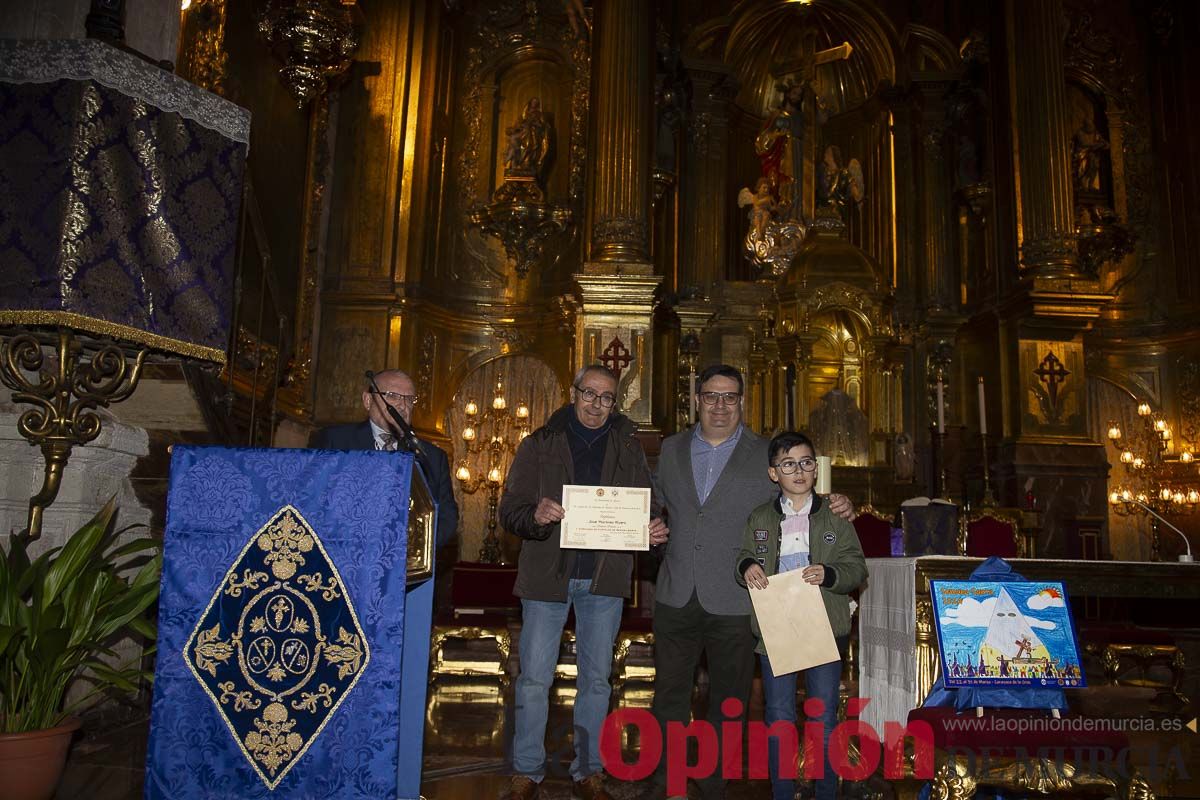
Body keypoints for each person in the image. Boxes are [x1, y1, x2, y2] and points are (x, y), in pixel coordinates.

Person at [648, 365, 855, 800]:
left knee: (729, 701)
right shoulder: (670, 449)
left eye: (730, 397)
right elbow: (654, 506)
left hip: (740, 596)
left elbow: (808, 495)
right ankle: (669, 784)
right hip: (675, 590)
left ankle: (712, 784)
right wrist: (647, 529)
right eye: (711, 396)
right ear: (697, 400)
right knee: (669, 695)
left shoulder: (766, 453)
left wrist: (838, 502)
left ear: (742, 402)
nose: (720, 406)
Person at [498, 365, 668, 800]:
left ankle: (588, 770)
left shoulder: (628, 447)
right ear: (573, 394)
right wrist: (534, 515)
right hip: (546, 578)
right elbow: (510, 510)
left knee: (596, 680)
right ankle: (526, 771)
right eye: (589, 394)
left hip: (604, 578)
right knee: (534, 679)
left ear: (616, 403)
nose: (596, 404)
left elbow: (650, 506)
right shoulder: (539, 443)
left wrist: (653, 529)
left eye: (606, 397)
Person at [736, 431, 867, 800]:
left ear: (816, 469)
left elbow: (857, 567)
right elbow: (744, 554)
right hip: (776, 629)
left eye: (806, 463)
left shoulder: (836, 517)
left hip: (824, 626)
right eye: (788, 464)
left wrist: (831, 574)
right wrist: (746, 566)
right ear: (773, 473)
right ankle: (782, 791)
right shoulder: (760, 517)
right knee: (778, 715)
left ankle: (826, 791)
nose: (799, 471)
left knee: (823, 717)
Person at [311, 369, 458, 548]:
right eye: (392, 396)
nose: (402, 406)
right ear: (368, 400)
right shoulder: (336, 441)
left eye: (409, 399)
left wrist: (416, 548)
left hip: (406, 566)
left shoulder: (432, 457)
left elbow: (447, 517)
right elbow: (314, 500)